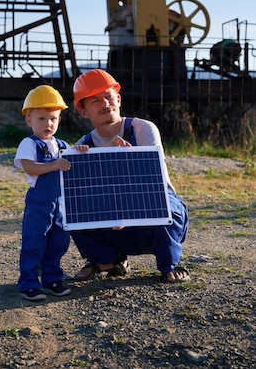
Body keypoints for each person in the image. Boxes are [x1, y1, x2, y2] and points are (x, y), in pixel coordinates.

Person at [71, 69, 190, 284]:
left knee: (168, 208)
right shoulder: (83, 145)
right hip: (111, 216)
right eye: (95, 100)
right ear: (83, 111)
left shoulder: (142, 128)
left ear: (118, 99)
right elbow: (81, 193)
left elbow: (154, 178)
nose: (105, 103)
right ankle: (109, 261)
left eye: (108, 96)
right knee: (71, 212)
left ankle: (169, 264)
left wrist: (127, 161)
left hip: (153, 205)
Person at [14, 85, 88, 301]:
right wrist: (54, 165)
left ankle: (52, 279)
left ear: (59, 120)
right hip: (40, 203)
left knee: (58, 242)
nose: (48, 124)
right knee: (34, 242)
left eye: (53, 119)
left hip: (61, 204)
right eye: (42, 119)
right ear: (29, 120)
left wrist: (80, 151)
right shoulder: (29, 143)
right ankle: (28, 283)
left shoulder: (62, 145)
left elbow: (73, 164)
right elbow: (30, 168)